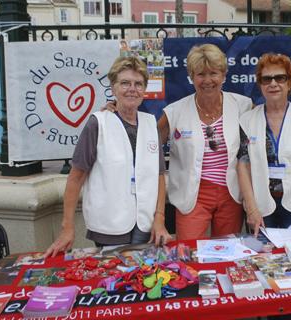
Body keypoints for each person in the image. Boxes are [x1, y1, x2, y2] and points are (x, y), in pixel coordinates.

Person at [45, 56, 171, 258]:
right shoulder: (98, 123)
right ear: (113, 88)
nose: (132, 89)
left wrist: (159, 218)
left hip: (145, 225)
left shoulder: (150, 124)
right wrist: (67, 227)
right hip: (109, 225)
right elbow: (75, 178)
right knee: (114, 278)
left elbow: (159, 175)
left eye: (138, 84)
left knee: (142, 276)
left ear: (145, 90)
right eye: (125, 83)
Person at [159, 44, 252, 240]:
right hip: (192, 194)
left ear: (224, 74)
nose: (208, 80)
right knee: (189, 253)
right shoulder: (174, 112)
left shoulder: (243, 106)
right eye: (201, 74)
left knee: (229, 252)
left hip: (231, 193)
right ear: (191, 77)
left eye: (214, 73)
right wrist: (114, 113)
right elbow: (146, 143)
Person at [237, 53, 291, 237]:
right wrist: (251, 209)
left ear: (289, 83)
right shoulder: (247, 120)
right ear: (260, 85)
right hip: (260, 207)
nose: (273, 84)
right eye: (267, 79)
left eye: (280, 78)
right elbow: (243, 165)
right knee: (263, 258)